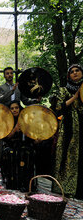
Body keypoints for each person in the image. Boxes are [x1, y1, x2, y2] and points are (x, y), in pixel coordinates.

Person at [51, 64, 83, 199]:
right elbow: (58, 107)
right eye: (72, 72)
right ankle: (65, 188)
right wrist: (75, 96)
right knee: (68, 156)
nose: (75, 73)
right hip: (69, 127)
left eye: (77, 71)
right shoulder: (64, 90)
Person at [0, 100, 36, 192]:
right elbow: (5, 138)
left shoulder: (26, 119)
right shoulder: (7, 120)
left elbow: (31, 137)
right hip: (11, 145)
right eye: (12, 108)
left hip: (24, 145)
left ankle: (26, 184)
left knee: (27, 152)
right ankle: (12, 183)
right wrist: (15, 129)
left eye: (16, 108)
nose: (14, 110)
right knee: (11, 153)